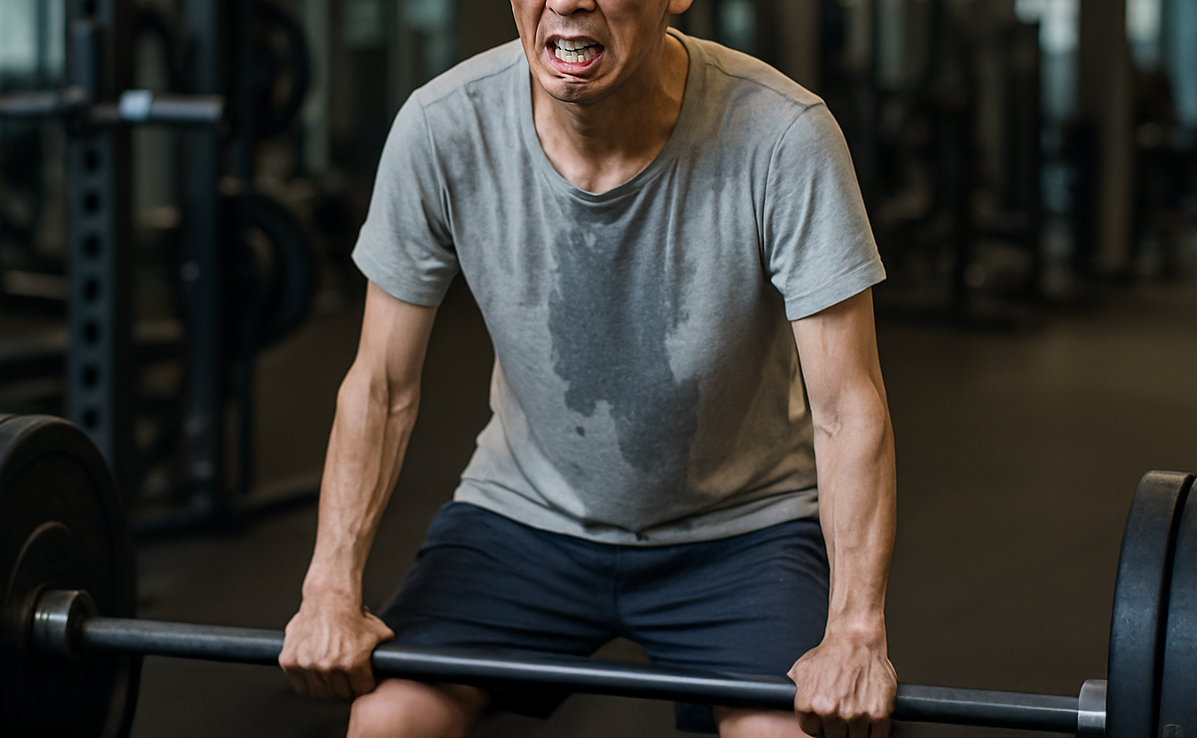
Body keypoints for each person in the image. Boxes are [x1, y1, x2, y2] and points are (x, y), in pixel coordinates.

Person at [279, 1, 898, 736]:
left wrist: (855, 631)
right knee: (387, 722)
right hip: (525, 515)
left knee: (782, 734)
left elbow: (846, 408)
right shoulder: (443, 125)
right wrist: (329, 589)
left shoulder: (783, 135)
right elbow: (381, 387)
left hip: (742, 530)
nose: (567, 1)